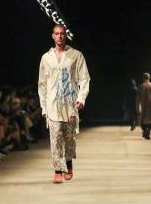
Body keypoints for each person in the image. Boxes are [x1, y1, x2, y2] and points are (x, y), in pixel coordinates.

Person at [38, 24, 90, 184]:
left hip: (70, 103)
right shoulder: (46, 58)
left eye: (62, 34)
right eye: (56, 34)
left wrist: (81, 98)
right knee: (55, 138)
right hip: (53, 103)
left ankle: (68, 164)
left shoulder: (76, 55)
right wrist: (44, 106)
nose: (59, 36)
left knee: (69, 138)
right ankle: (57, 170)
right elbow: (42, 83)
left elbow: (84, 78)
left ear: (65, 36)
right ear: (52, 36)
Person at [137, 73, 151, 139]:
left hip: (143, 104)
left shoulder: (141, 86)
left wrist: (137, 105)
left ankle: (145, 130)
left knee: (141, 120)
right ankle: (148, 130)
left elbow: (138, 97)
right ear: (149, 78)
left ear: (143, 78)